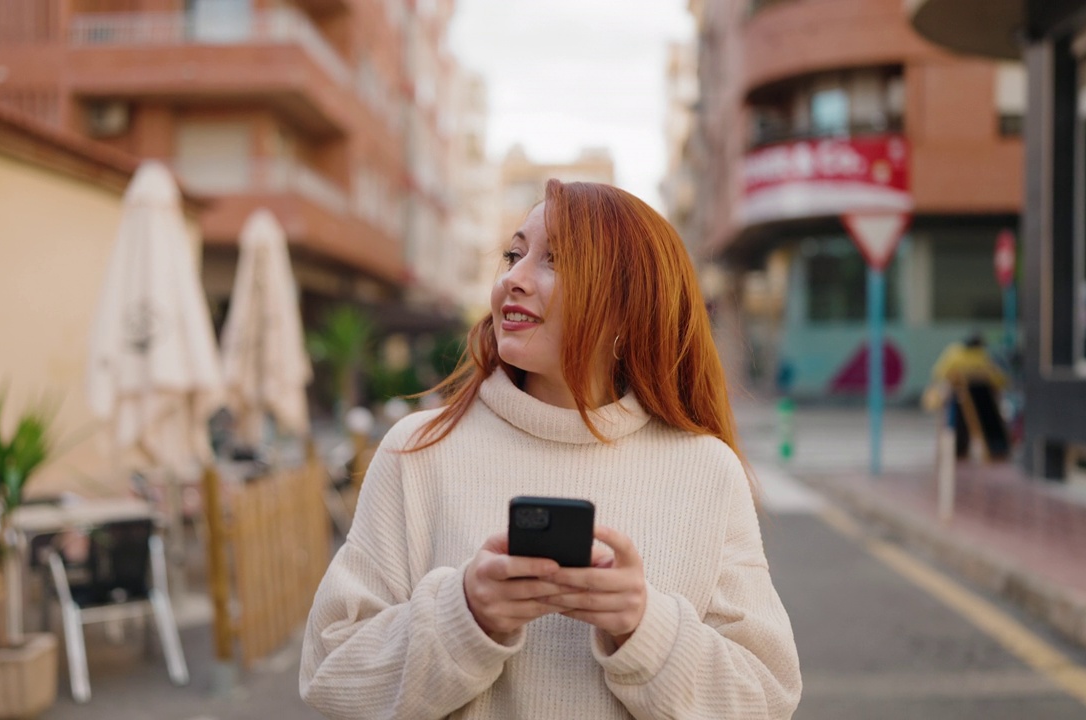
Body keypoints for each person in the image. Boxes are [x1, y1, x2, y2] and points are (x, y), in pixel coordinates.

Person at [300, 180, 802, 719]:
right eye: (514, 255)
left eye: (555, 261)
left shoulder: (706, 469)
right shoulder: (419, 450)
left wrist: (643, 625)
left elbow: (766, 697)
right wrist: (465, 615)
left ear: (630, 306)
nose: (513, 278)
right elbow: (330, 672)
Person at [927, 333, 1009, 459]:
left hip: (961, 397)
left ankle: (957, 448)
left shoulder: (955, 353)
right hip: (982, 400)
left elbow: (939, 372)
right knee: (977, 419)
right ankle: (992, 447)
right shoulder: (981, 355)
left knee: (955, 422)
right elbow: (1000, 379)